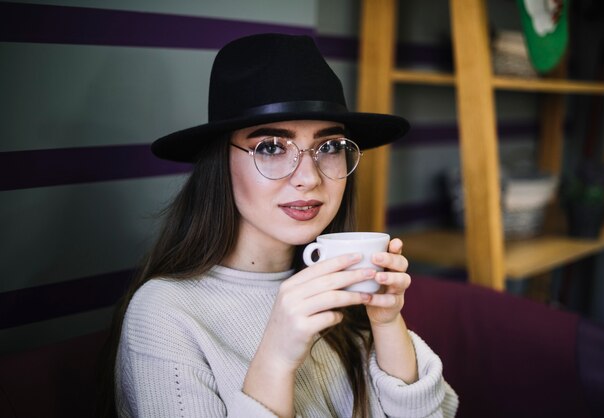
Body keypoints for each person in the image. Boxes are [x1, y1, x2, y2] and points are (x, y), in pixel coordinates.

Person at [107, 33, 458, 417]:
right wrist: (275, 358)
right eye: (271, 147)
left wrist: (387, 323)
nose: (308, 177)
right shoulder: (165, 312)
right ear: (219, 163)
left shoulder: (343, 284)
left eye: (329, 147)